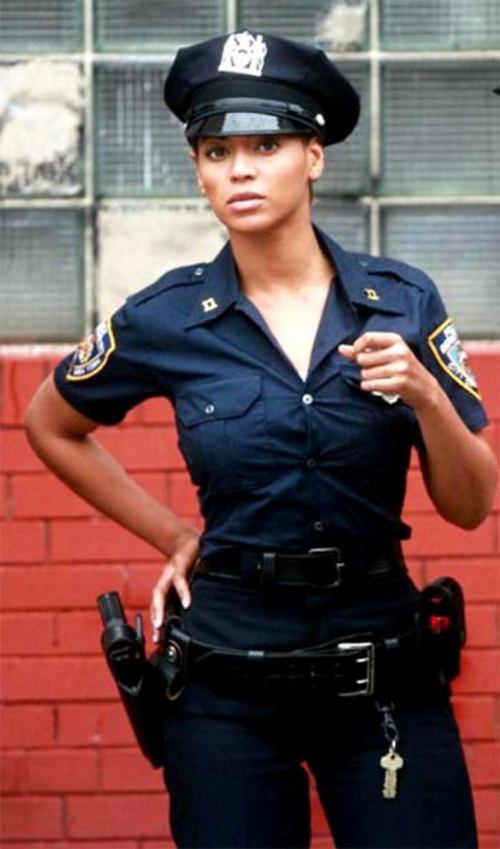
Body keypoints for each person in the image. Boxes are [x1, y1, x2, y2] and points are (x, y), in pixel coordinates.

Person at [25, 29, 497, 849]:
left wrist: (425, 393)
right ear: (199, 168)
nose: (239, 169)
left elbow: (471, 503)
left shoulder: (403, 301)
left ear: (313, 156)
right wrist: (175, 535)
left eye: (266, 146)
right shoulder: (166, 316)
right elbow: (50, 422)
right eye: (217, 151)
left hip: (380, 671)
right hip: (226, 686)